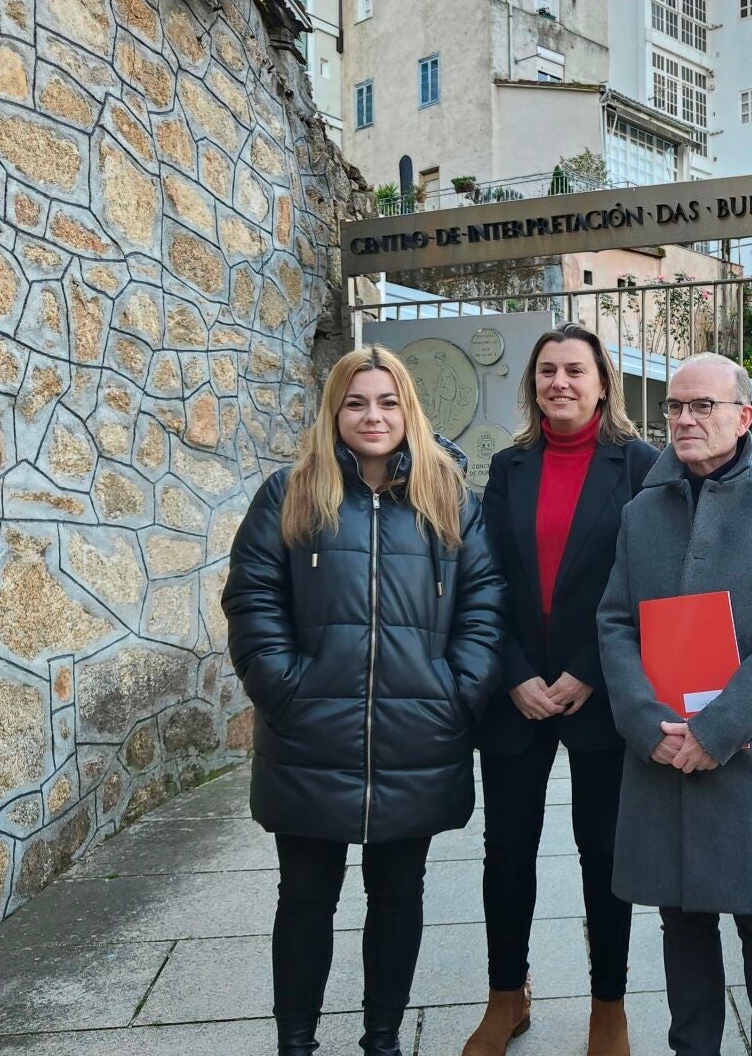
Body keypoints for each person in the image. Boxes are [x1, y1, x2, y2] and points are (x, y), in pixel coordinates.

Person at [223, 346, 506, 1056]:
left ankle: (382, 1040)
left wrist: (455, 693)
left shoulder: (448, 497)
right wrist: (286, 689)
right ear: (334, 412)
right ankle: (296, 1043)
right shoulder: (290, 493)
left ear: (408, 409)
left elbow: (484, 603)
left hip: (418, 734)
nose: (372, 416)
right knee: (305, 898)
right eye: (356, 402)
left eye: (387, 401)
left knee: (399, 896)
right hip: (309, 735)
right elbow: (253, 601)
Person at [596, 352, 752, 1056]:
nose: (686, 419)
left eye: (703, 405)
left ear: (743, 416)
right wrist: (647, 725)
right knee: (682, 922)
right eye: (676, 406)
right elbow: (615, 622)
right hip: (664, 750)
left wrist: (717, 730)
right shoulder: (641, 513)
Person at [464, 325, 658, 1056]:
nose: (560, 382)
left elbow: (648, 580)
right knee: (507, 851)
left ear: (603, 382)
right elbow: (487, 578)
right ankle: (505, 997)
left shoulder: (639, 465)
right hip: (515, 692)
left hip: (600, 689)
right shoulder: (509, 467)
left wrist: (590, 668)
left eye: (575, 370)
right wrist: (512, 670)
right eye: (548, 371)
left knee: (603, 851)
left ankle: (609, 1006)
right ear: (533, 385)